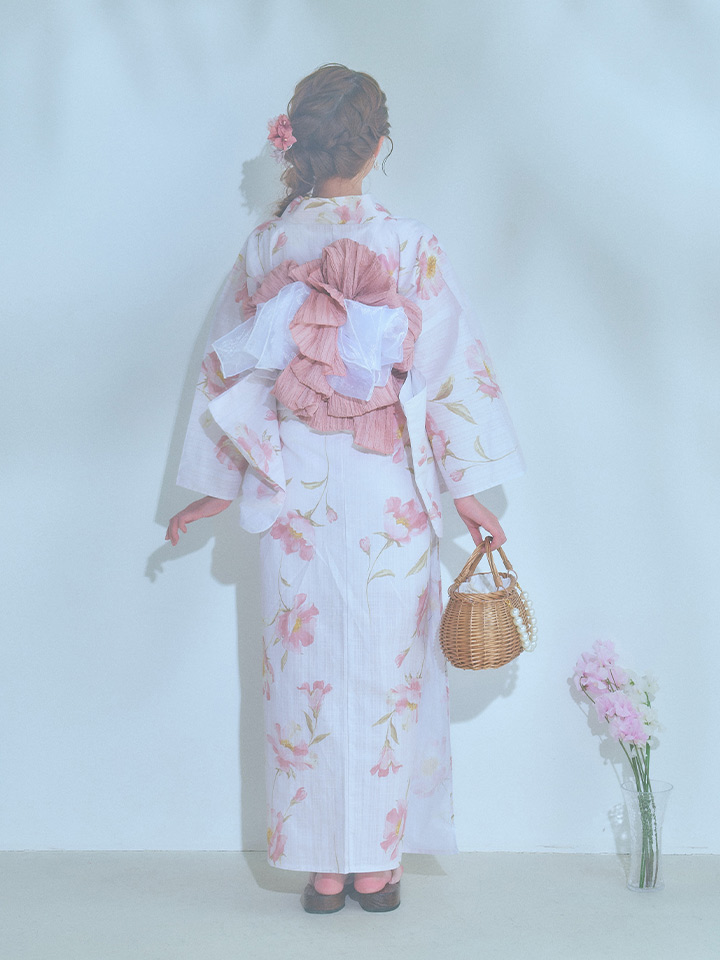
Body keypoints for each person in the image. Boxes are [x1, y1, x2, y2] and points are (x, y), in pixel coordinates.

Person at [166, 64, 524, 914]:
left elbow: (228, 370)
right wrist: (469, 488)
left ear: (297, 145)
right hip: (385, 486)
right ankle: (374, 867)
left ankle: (322, 871)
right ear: (378, 146)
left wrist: (216, 484)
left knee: (304, 673)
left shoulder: (267, 247)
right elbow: (447, 369)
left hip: (294, 488)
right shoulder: (408, 245)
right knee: (382, 674)